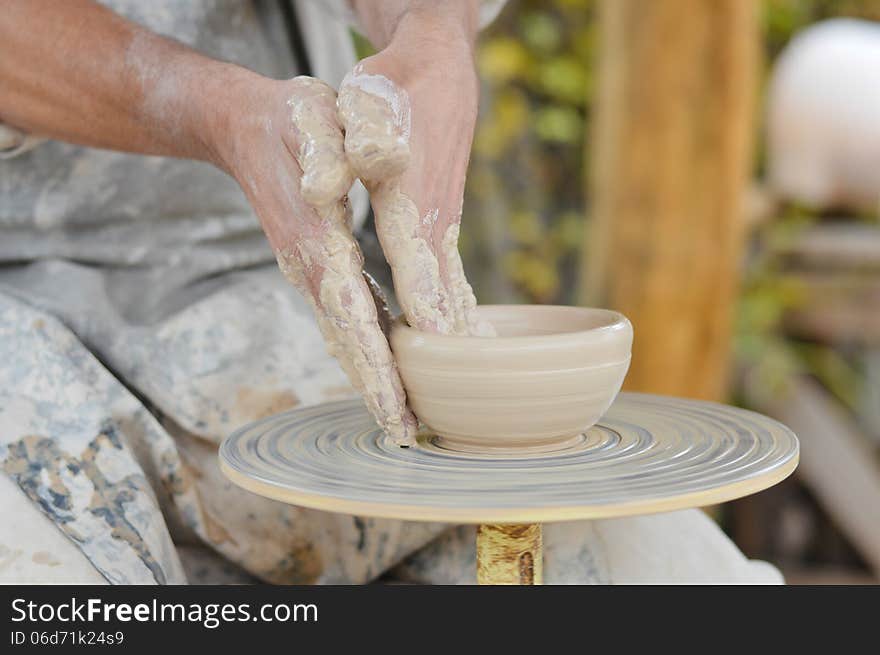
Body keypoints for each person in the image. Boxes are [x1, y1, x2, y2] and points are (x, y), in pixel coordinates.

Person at [0, 0, 781, 584]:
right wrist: (213, 110)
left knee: (685, 574)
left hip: (284, 271)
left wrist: (430, 36)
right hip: (24, 292)